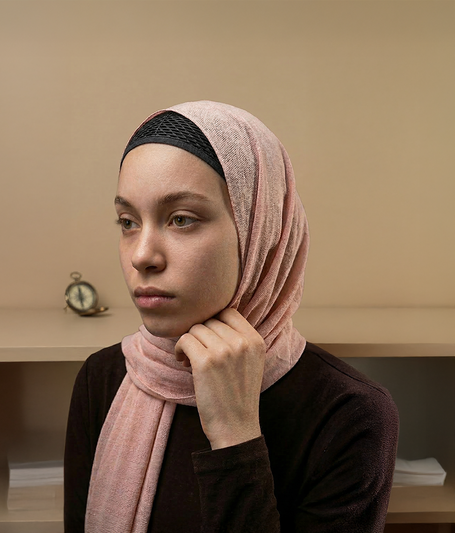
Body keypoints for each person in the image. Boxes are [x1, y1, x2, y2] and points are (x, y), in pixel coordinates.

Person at [64, 101, 399, 533]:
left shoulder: (351, 415)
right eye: (128, 222)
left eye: (181, 219)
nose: (142, 256)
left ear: (261, 230)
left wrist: (235, 436)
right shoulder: (103, 378)